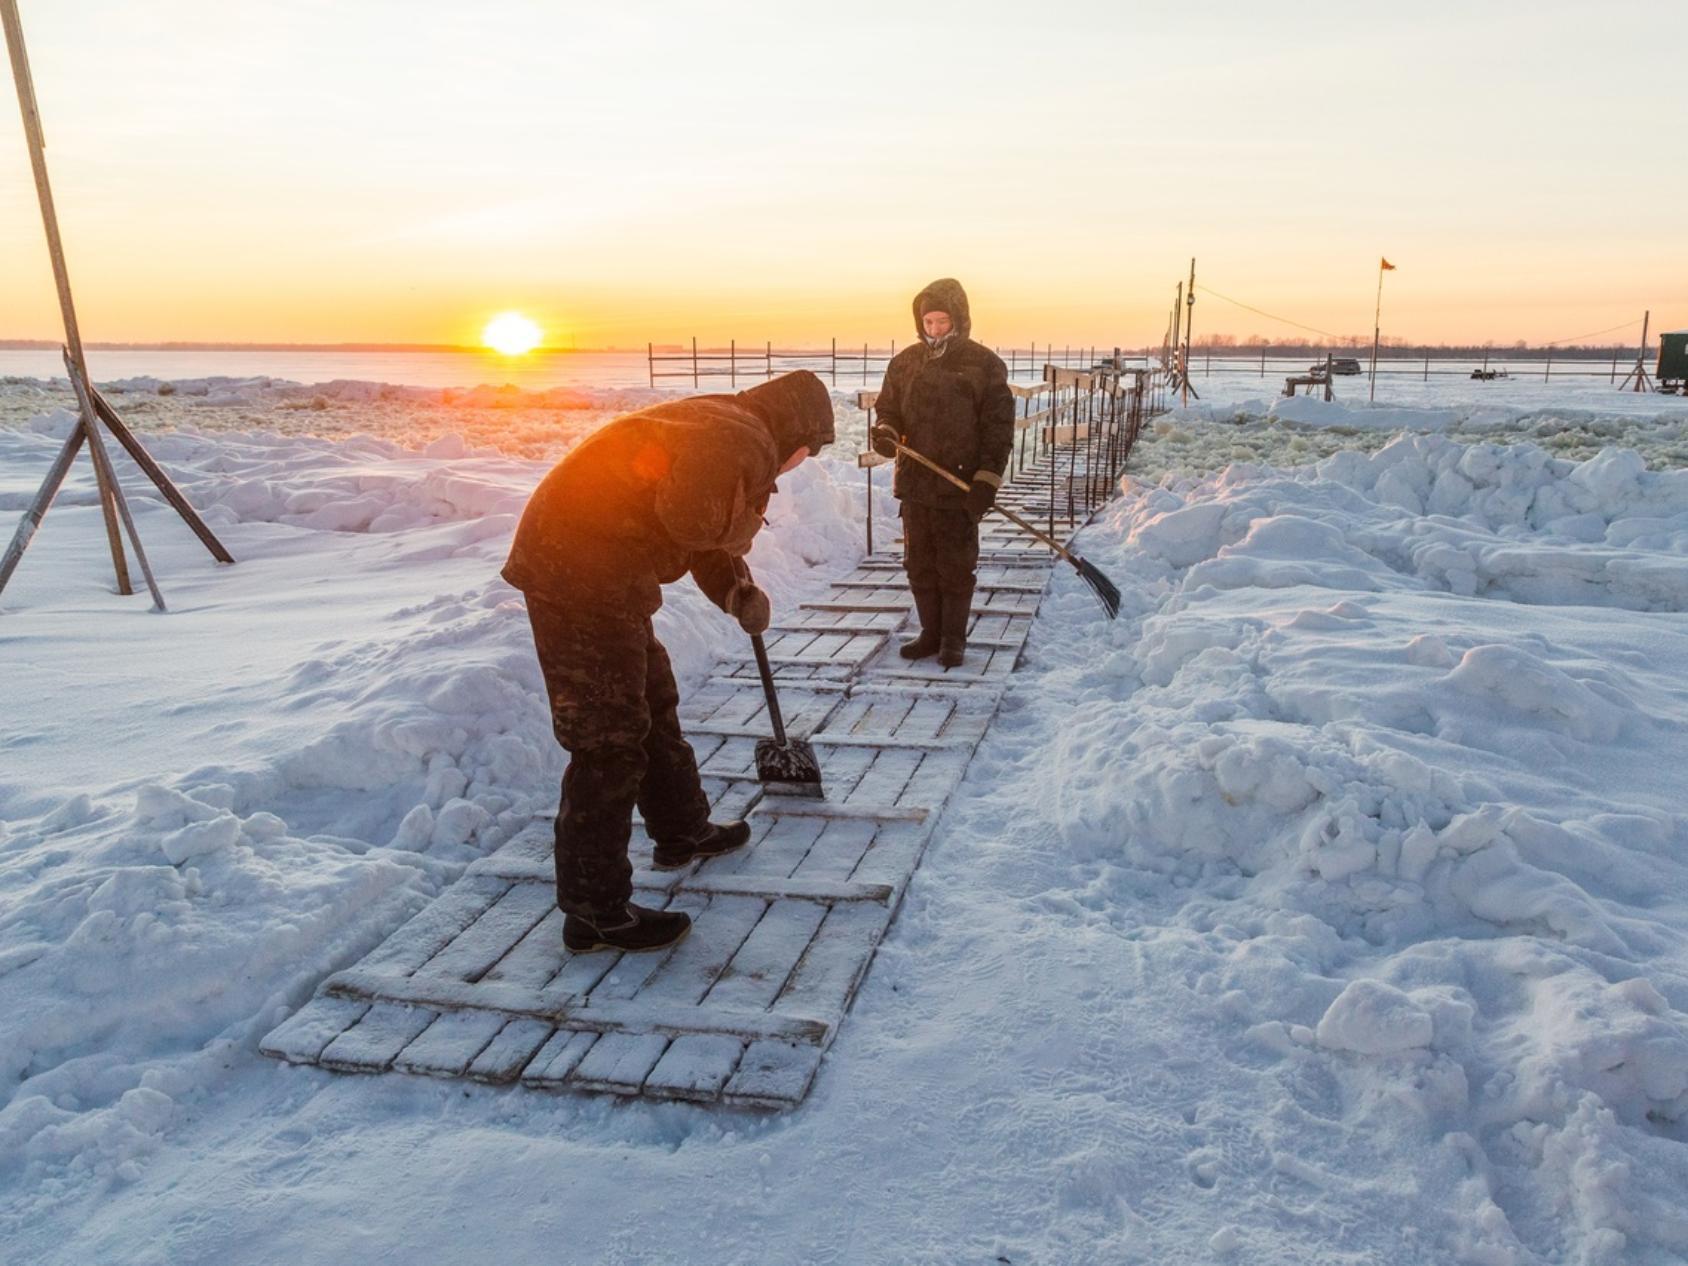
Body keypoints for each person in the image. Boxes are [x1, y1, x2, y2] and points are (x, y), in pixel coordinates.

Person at [501, 371, 835, 953]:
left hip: (598, 567)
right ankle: (595, 911)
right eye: (808, 453)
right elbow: (697, 520)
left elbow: (696, 524)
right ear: (799, 434)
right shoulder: (748, 440)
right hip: (577, 573)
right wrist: (744, 525)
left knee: (652, 700)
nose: (798, 466)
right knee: (608, 740)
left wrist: (736, 591)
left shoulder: (727, 421)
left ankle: (681, 829)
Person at [870, 278, 1015, 668]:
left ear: (959, 320)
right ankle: (930, 633)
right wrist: (885, 432)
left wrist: (987, 479)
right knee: (919, 562)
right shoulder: (904, 363)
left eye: (942, 321)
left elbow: (998, 428)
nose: (934, 329)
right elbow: (888, 410)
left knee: (955, 562)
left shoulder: (984, 365)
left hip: (960, 483)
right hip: (916, 483)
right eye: (928, 322)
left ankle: (954, 638)